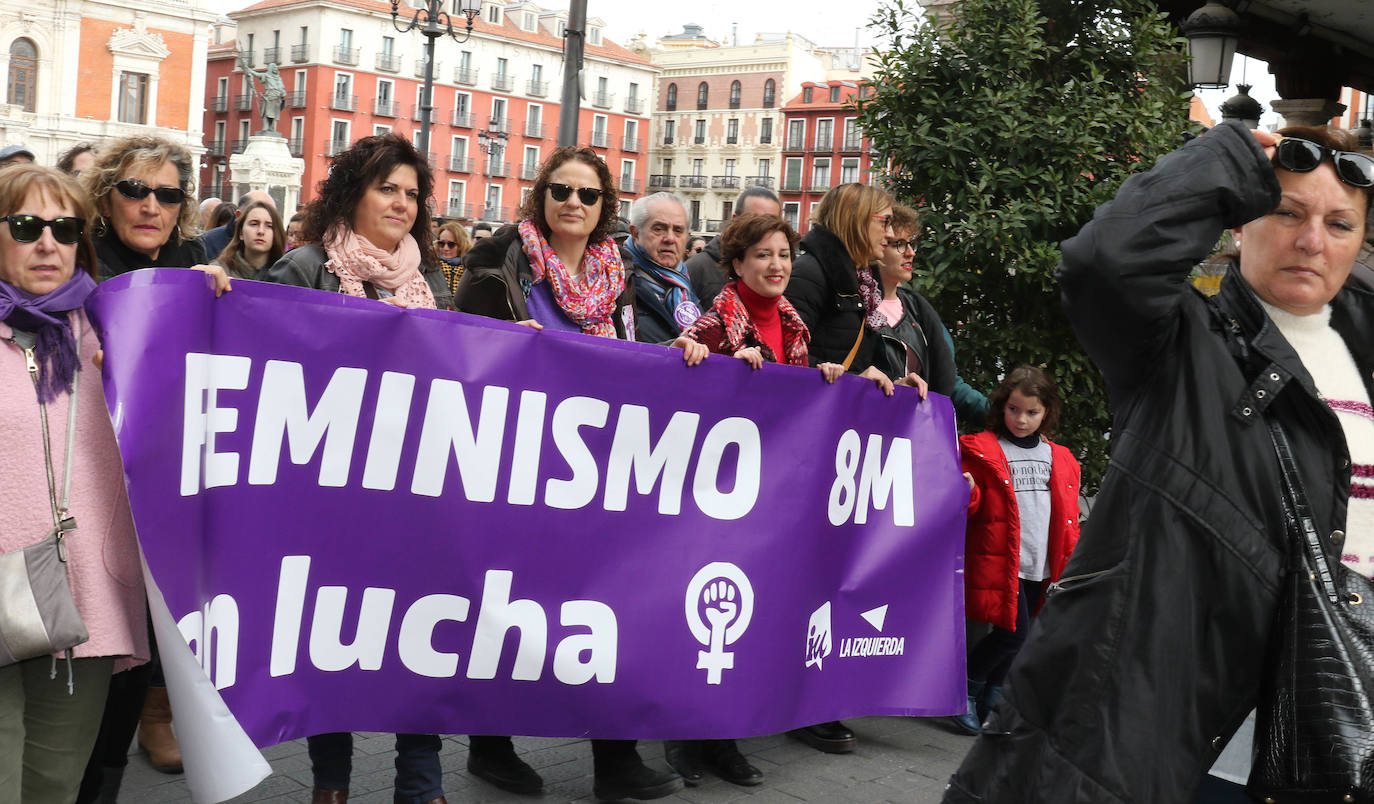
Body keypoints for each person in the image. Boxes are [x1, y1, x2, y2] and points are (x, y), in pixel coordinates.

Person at [943, 122, 1374, 803]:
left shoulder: (1363, 363)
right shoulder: (1181, 343)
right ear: (1241, 221)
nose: (1312, 241)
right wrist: (1225, 159)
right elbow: (1105, 263)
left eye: (1340, 223)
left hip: (1320, 738)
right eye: (1287, 212)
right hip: (1133, 739)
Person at [456, 146, 681, 802]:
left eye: (587, 195)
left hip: (601, 471)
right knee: (510, 608)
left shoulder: (620, 275)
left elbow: (631, 359)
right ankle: (489, 747)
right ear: (541, 197)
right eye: (560, 192)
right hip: (520, 468)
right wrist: (500, 340)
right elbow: (457, 346)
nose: (573, 204)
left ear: (605, 205)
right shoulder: (499, 260)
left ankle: (617, 760)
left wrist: (677, 354)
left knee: (610, 608)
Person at [259, 133, 450, 804]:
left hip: (412, 498)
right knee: (333, 643)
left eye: (410, 192)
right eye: (385, 188)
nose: (400, 203)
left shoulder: (431, 283)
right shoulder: (305, 268)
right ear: (353, 193)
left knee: (421, 638)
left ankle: (420, 785)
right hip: (330, 499)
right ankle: (331, 785)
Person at [0, 164, 150, 803]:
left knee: (56, 786)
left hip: (85, 593)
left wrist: (204, 298)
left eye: (65, 228)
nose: (47, 244)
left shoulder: (116, 329)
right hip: (2, 584)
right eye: (27, 225)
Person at [949, 365, 1080, 735]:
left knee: (1027, 635)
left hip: (1043, 560)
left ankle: (994, 694)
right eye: (1013, 410)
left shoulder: (1061, 457)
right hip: (1003, 559)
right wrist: (966, 489)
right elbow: (970, 507)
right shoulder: (981, 449)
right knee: (1014, 634)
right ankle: (966, 690)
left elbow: (1066, 514)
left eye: (1031, 412)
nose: (1021, 419)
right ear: (1002, 407)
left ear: (1047, 412)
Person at [874, 205, 989, 426]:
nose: (911, 252)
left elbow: (950, 383)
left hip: (915, 436)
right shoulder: (855, 306)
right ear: (876, 248)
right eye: (899, 244)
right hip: (867, 435)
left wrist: (1003, 418)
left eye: (911, 244)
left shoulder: (920, 310)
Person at [83, 135, 209, 281]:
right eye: (134, 190)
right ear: (105, 203)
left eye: (168, 195)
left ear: (181, 208)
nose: (151, 209)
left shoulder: (193, 256)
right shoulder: (83, 262)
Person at [687, 186, 781, 307]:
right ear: (735, 220)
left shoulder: (776, 271)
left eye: (771, 223)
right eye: (754, 221)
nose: (762, 229)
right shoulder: (696, 268)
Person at [626, 192, 699, 344]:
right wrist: (670, 350)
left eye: (678, 230)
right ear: (635, 233)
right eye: (659, 229)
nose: (670, 238)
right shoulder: (616, 281)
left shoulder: (687, 283)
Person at [212, 198, 285, 279]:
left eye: (269, 226)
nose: (261, 231)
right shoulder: (218, 272)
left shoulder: (286, 275)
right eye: (254, 224)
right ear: (241, 233)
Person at [434, 220, 471, 300]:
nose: (445, 248)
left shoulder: (470, 270)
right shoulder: (431, 268)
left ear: (461, 245)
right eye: (441, 243)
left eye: (451, 244)